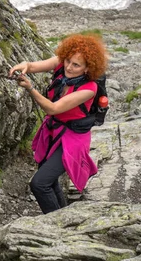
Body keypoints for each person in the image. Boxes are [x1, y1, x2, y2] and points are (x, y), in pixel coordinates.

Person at [8, 34, 108, 214]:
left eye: (76, 65)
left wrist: (30, 88)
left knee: (39, 183)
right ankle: (62, 216)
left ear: (87, 68)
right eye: (68, 61)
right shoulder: (63, 64)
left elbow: (53, 109)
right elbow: (32, 66)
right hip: (54, 131)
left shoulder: (89, 89)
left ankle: (55, 226)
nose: (69, 67)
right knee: (48, 180)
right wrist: (25, 66)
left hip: (73, 139)